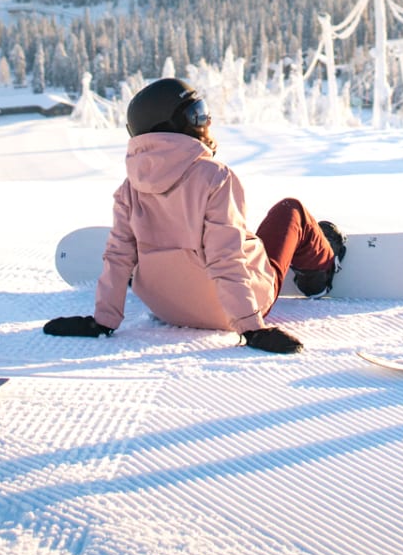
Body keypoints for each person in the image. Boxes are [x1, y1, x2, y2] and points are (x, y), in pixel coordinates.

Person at [42, 77, 343, 355]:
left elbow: (119, 255)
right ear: (178, 126)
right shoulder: (215, 176)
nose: (208, 121)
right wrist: (253, 330)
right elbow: (224, 257)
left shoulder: (130, 187)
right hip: (227, 312)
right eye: (197, 114)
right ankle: (319, 273)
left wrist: (103, 321)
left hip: (165, 307)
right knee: (291, 211)